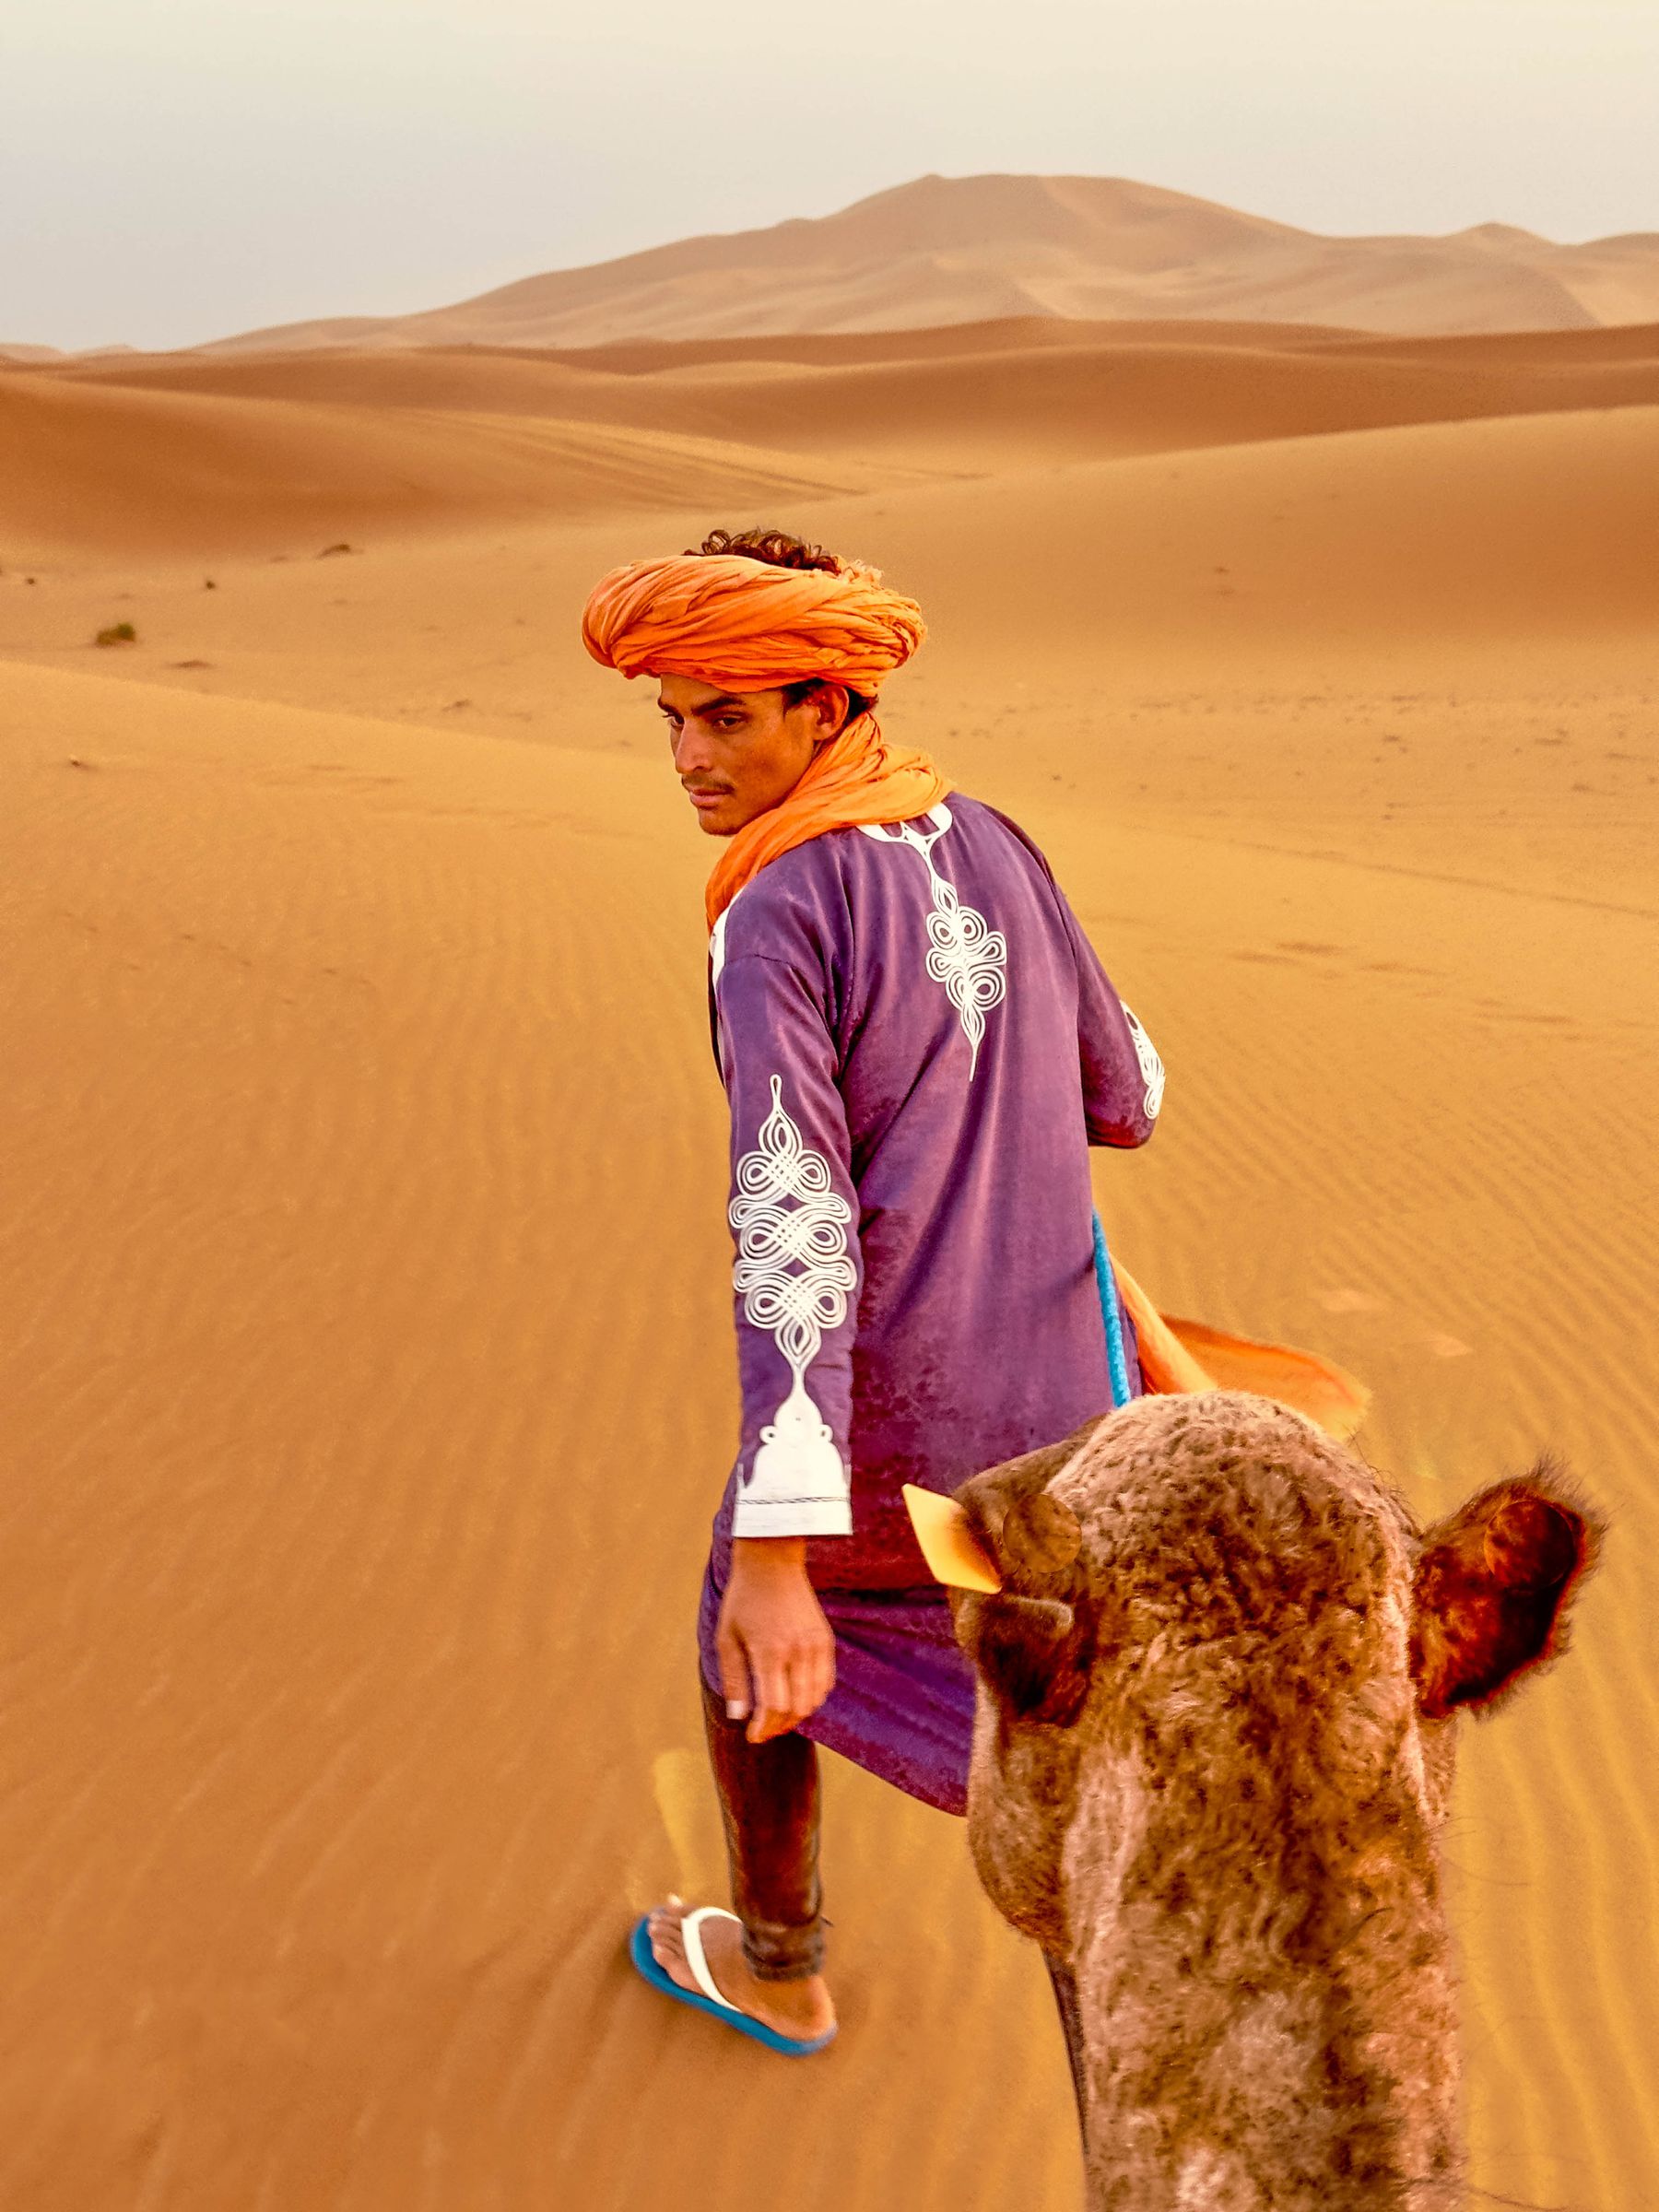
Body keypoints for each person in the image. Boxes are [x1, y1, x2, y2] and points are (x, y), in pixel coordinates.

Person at [582, 526, 1166, 2065]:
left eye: (728, 717)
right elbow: (1134, 1092)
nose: (689, 758)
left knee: (743, 1627)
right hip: (1067, 1404)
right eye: (671, 719)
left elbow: (793, 1231)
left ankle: (779, 1967)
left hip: (887, 1424)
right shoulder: (992, 837)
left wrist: (781, 1551)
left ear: (829, 707)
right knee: (1068, 1715)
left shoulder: (775, 907)